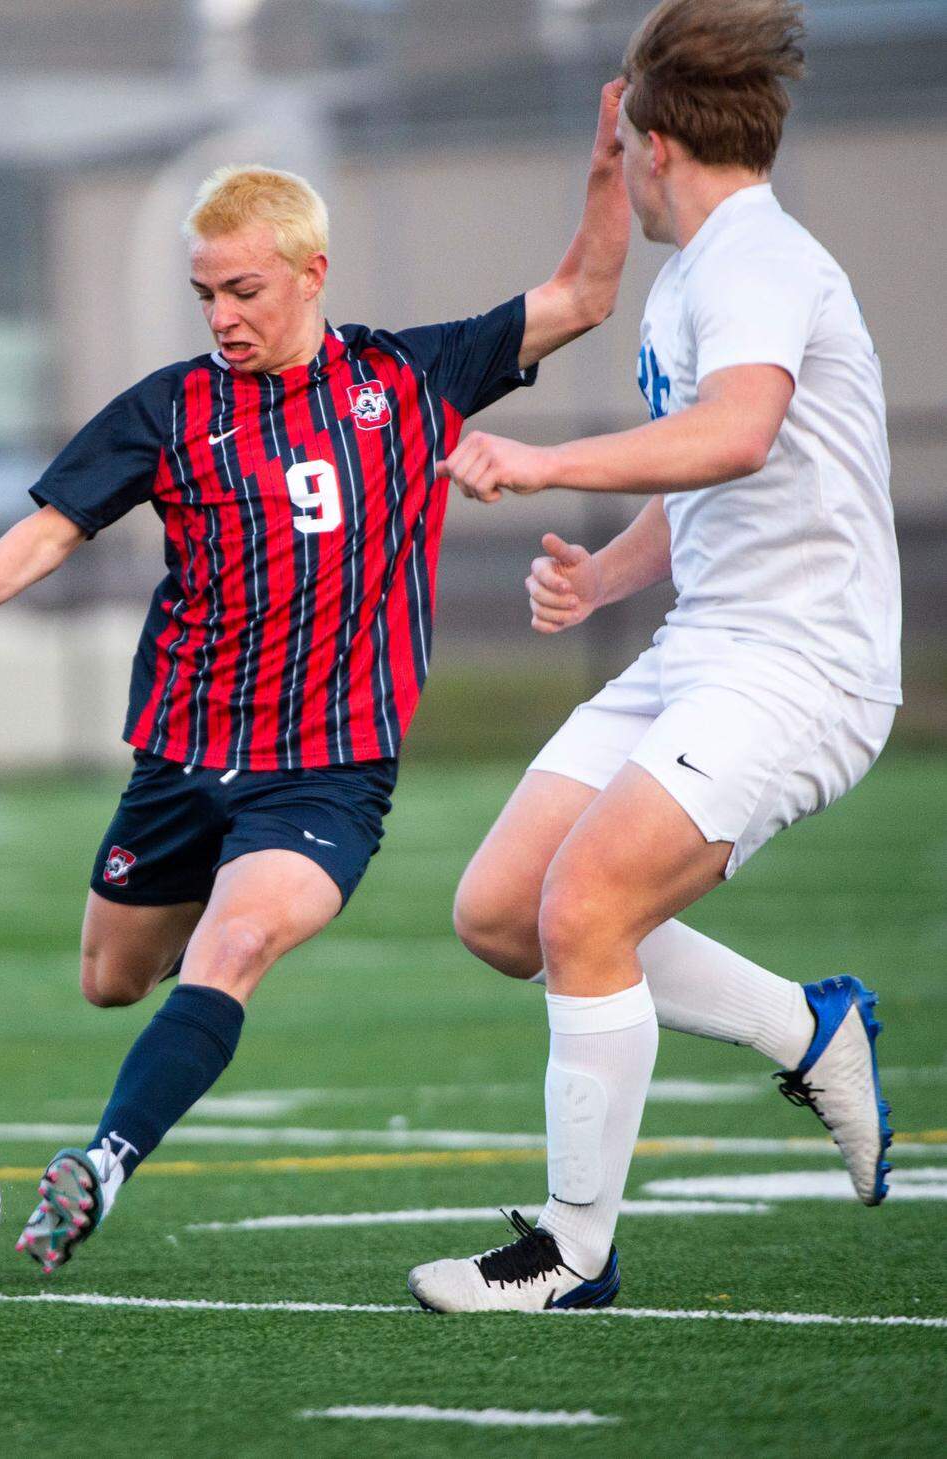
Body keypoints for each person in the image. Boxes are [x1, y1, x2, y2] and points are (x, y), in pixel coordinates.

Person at [0, 87, 631, 1274]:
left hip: (324, 776)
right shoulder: (170, 410)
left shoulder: (411, 378)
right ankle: (197, 938)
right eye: (205, 295)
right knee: (112, 980)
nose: (222, 314)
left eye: (244, 290)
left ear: (311, 273)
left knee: (231, 951)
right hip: (183, 757)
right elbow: (57, 525)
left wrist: (607, 172)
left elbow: (582, 294)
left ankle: (103, 1165)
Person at [406, 0, 900, 1314]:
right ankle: (811, 1027)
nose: (617, 154)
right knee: (507, 908)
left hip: (804, 667)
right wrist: (608, 570)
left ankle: (570, 1250)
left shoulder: (752, 263)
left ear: (658, 140)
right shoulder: (704, 270)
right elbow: (716, 483)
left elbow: (737, 433)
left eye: (624, 137)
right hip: (709, 646)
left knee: (585, 909)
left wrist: (544, 459)